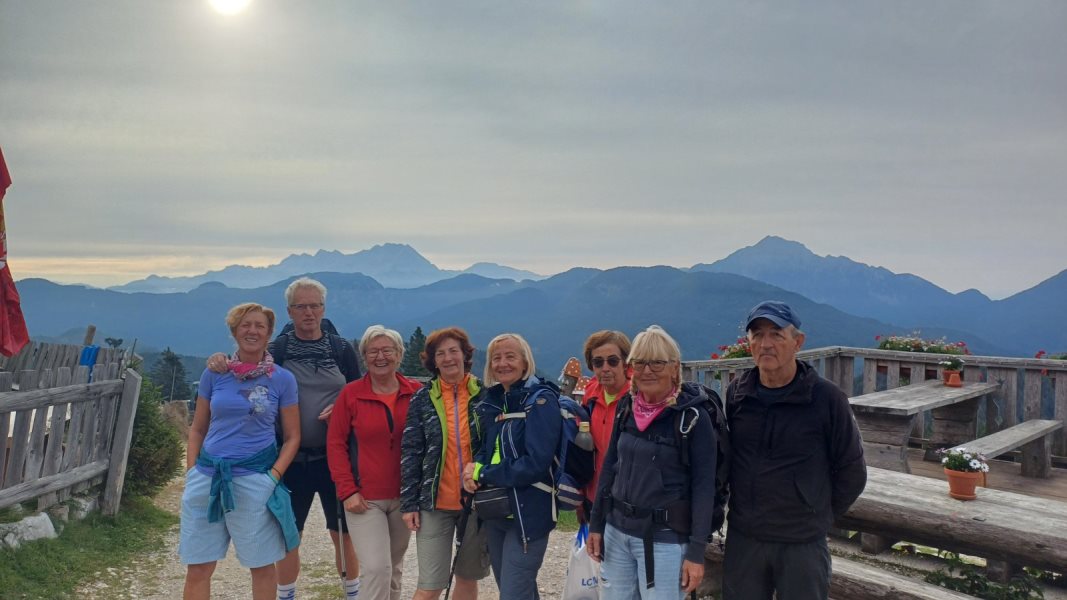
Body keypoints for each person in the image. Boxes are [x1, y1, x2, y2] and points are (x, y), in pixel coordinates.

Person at [207, 278, 363, 600]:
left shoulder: (341, 349)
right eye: (301, 306)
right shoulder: (278, 350)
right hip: (290, 457)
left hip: (336, 457)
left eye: (314, 305)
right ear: (289, 311)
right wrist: (219, 361)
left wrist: (343, 408)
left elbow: (359, 392)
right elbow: (247, 370)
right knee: (288, 533)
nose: (309, 312)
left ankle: (352, 594)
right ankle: (286, 594)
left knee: (343, 533)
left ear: (323, 308)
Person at [722, 301, 867, 600]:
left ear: (798, 342)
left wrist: (818, 514)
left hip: (802, 542)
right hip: (745, 537)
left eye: (776, 334)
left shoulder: (826, 399)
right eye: (757, 335)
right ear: (748, 343)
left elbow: (852, 471)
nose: (766, 344)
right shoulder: (738, 394)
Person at [180, 303, 301, 600]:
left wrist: (272, 478)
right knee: (198, 568)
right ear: (234, 331)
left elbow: (292, 436)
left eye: (260, 326)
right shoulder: (214, 374)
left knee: (261, 567)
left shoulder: (282, 379)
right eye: (246, 325)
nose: (253, 331)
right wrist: (192, 471)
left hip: (254, 478)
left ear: (269, 334)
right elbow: (197, 428)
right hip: (207, 477)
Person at [587, 325, 716, 600]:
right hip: (616, 531)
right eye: (640, 362)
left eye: (657, 362)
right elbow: (610, 467)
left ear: (674, 367)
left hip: (665, 540)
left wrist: (696, 552)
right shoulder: (627, 408)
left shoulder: (693, 418)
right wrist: (596, 524)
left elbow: (704, 487)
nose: (647, 371)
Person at [461, 333, 562, 600]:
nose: (502, 363)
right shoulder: (495, 400)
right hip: (497, 511)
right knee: (516, 590)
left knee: (513, 594)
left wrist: (484, 473)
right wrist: (474, 469)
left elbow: (535, 463)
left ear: (525, 361)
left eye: (510, 356)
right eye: (496, 358)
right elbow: (488, 449)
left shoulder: (541, 401)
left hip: (527, 512)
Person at [328, 325, 422, 600]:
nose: (380, 357)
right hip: (364, 498)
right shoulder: (351, 394)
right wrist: (347, 491)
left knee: (392, 568)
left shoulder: (416, 392)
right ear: (364, 357)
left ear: (399, 354)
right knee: (377, 568)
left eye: (387, 350)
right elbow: (335, 444)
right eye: (373, 351)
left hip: (405, 497)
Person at [400, 327, 491, 600]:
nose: (448, 358)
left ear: (465, 355)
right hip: (434, 504)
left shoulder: (485, 395)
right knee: (430, 585)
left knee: (467, 579)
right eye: (441, 354)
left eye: (454, 351)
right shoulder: (422, 398)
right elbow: (411, 451)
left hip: (475, 502)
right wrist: (409, 503)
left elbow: (493, 446)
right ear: (433, 361)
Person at [579, 330, 632, 511]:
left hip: (626, 500)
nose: (605, 368)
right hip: (594, 496)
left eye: (613, 361)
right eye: (598, 362)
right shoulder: (590, 397)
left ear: (625, 363)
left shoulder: (638, 398)